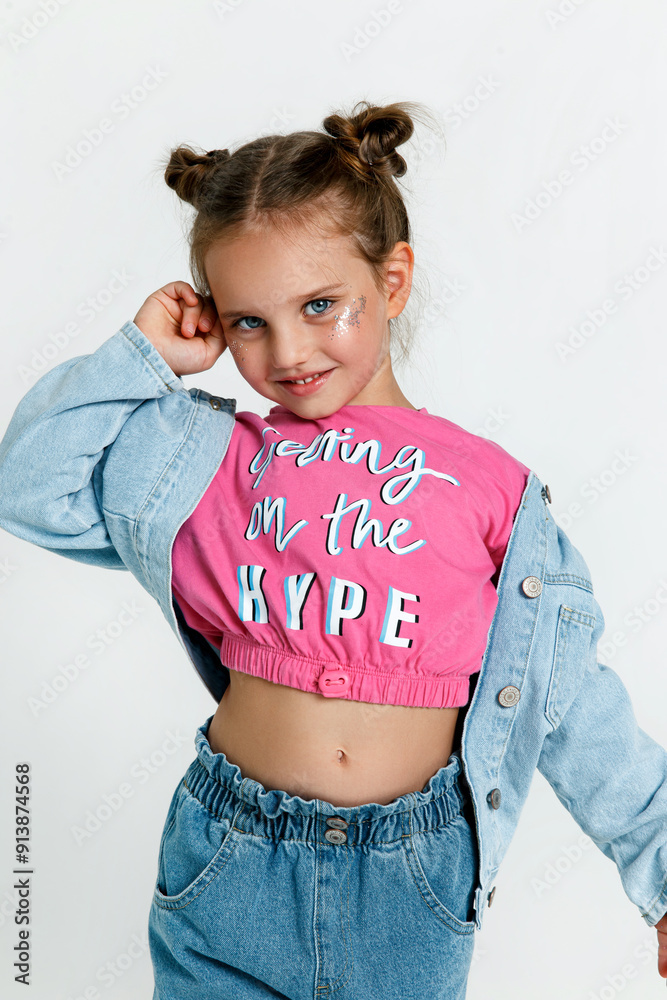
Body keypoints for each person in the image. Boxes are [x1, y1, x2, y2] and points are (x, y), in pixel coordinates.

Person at [0, 99, 666, 998]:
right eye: (247, 322)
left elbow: (572, 701)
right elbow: (26, 484)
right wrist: (142, 358)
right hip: (227, 859)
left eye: (321, 305)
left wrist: (660, 877)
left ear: (392, 281)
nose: (288, 351)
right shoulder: (204, 465)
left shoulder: (487, 488)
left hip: (411, 884)